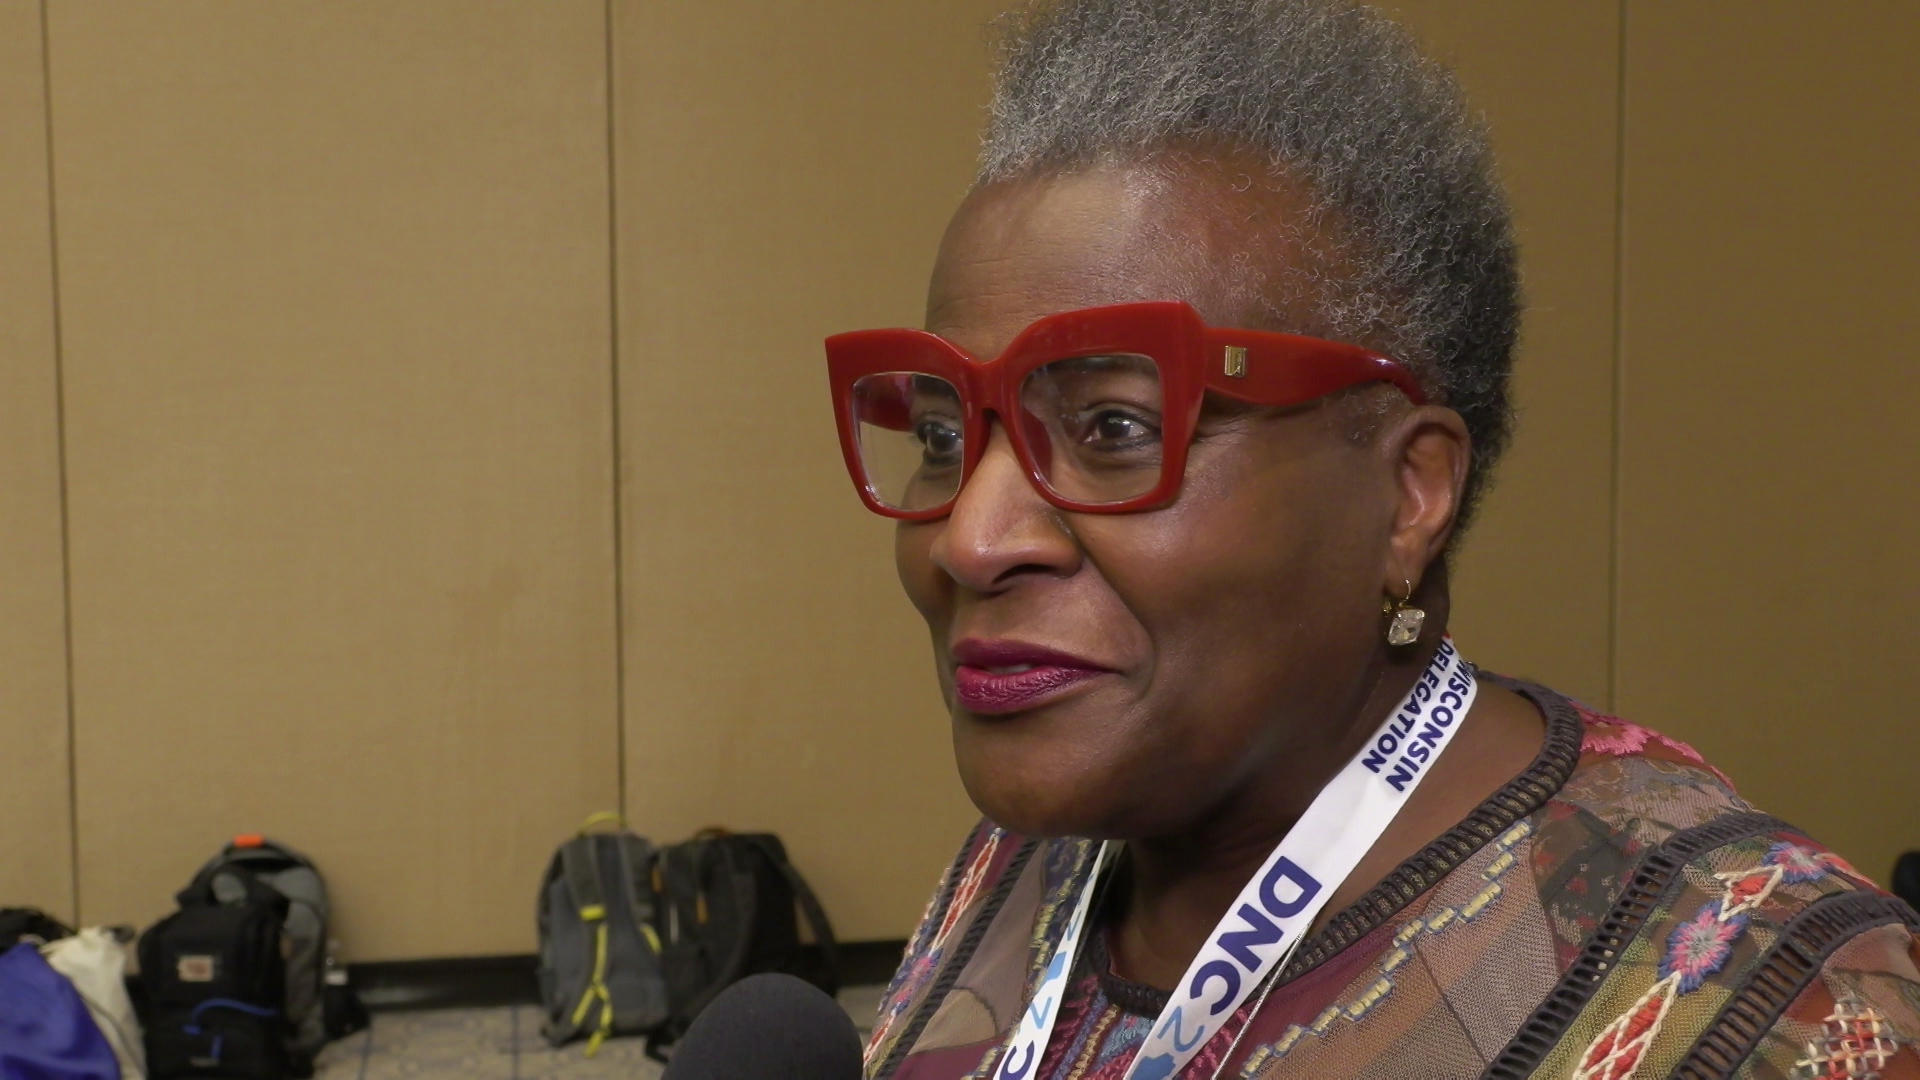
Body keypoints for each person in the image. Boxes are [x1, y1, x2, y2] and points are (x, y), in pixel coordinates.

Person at [824, 2, 1920, 1077]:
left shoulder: (1765, 1004)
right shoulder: (1037, 860)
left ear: (1409, 495)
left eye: (1115, 427)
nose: (970, 538)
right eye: (940, 431)